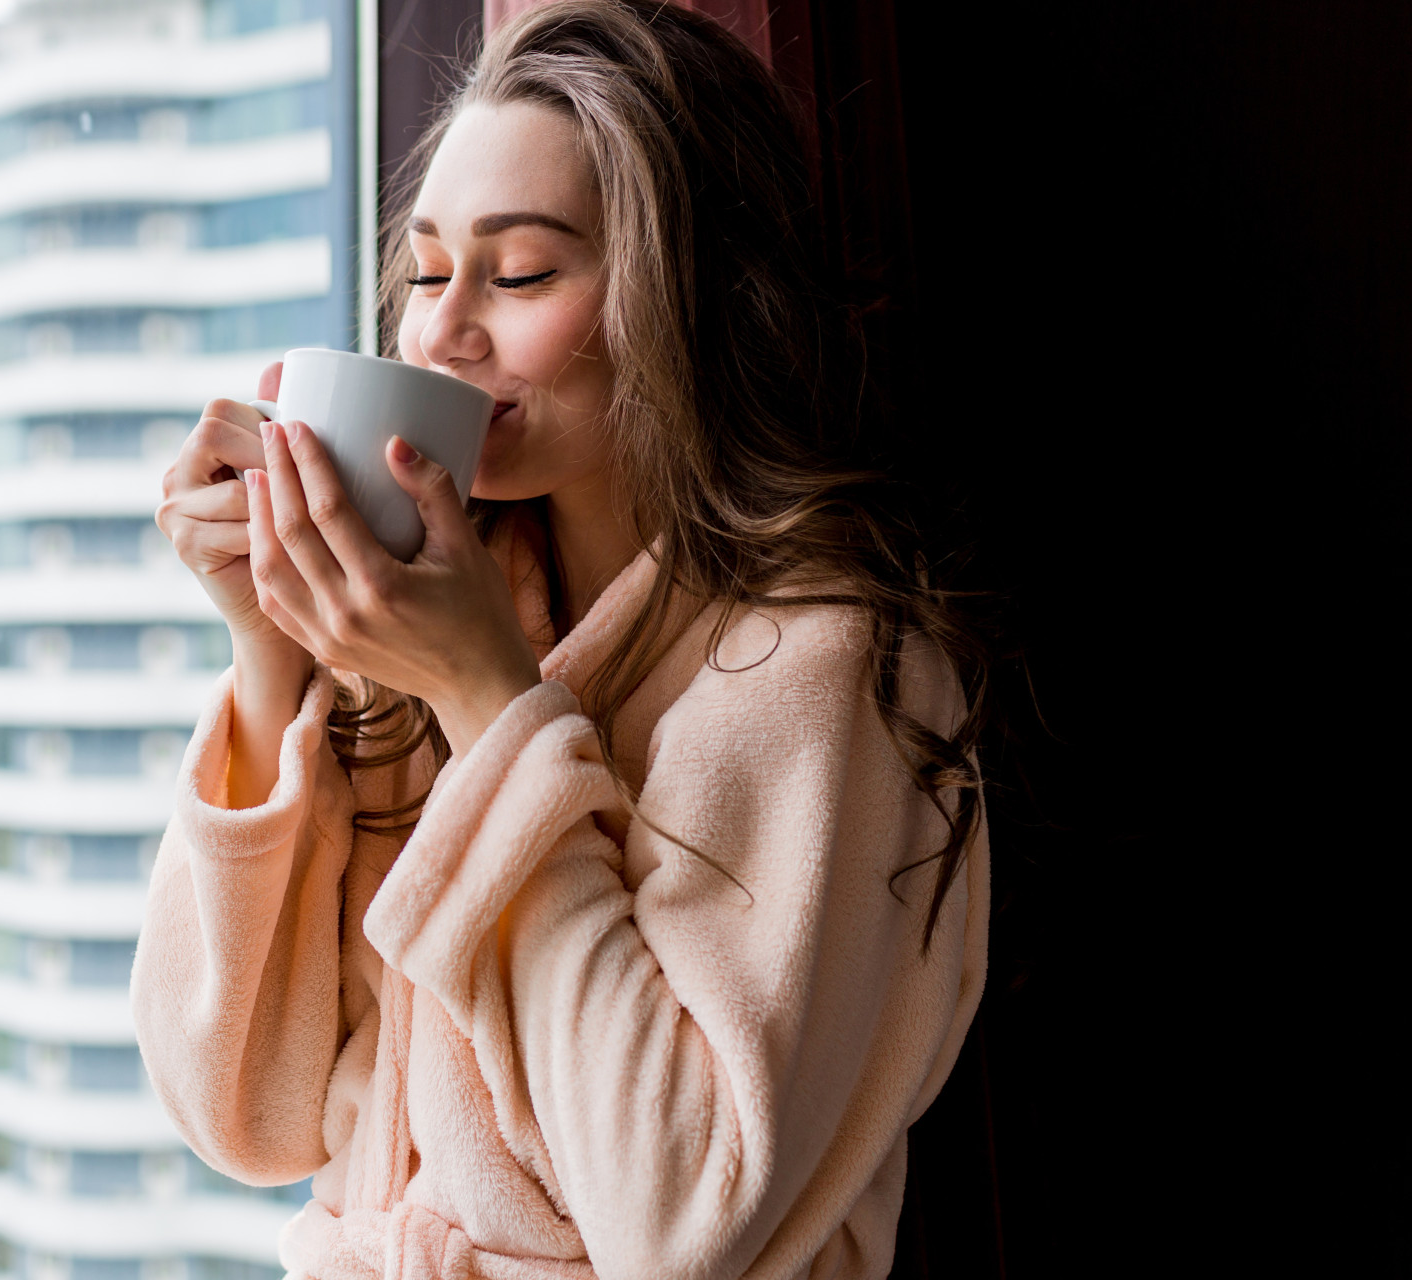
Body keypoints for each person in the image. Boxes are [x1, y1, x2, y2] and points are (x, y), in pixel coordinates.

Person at [130, 3, 990, 1276]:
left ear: (688, 296)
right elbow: (242, 1113)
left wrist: (492, 704)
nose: (440, 331)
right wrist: (271, 657)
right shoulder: (450, 621)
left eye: (520, 273)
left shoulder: (817, 668)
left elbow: (679, 1218)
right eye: (427, 273)